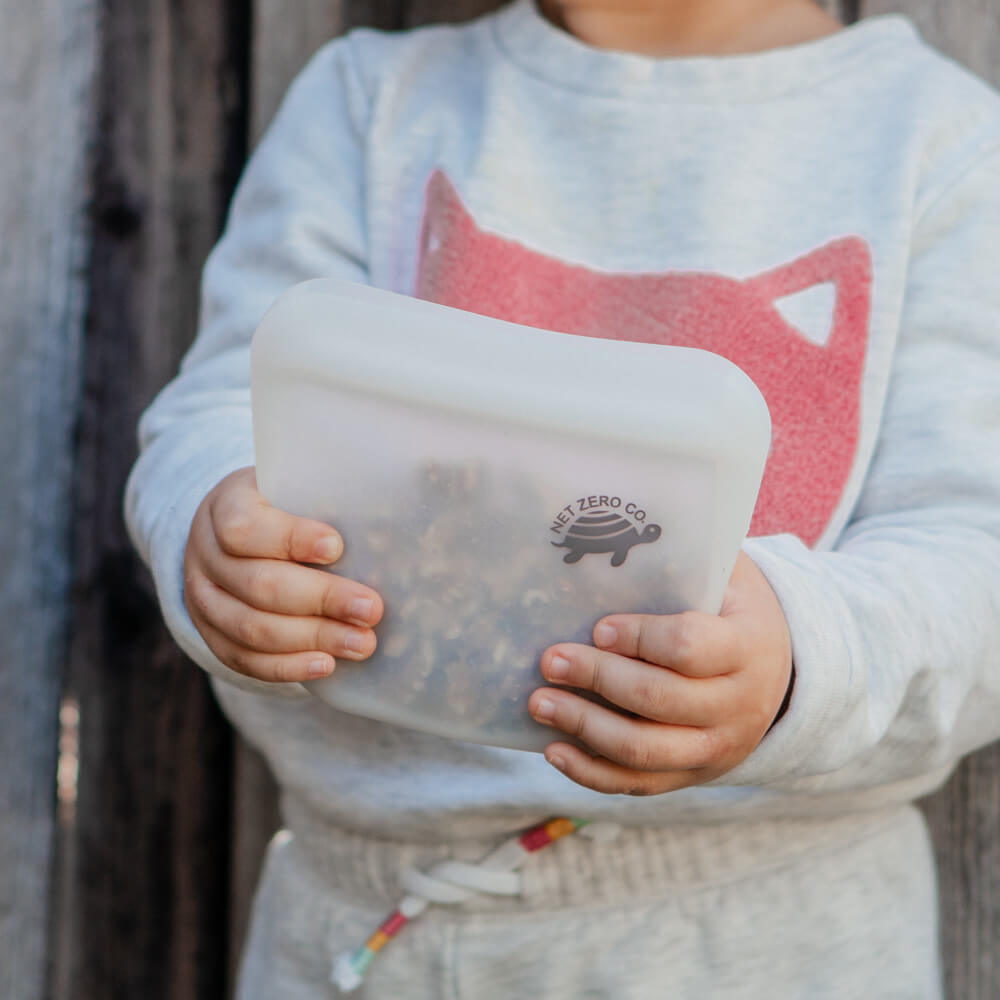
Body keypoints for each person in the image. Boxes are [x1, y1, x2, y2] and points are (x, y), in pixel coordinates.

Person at [125, 0, 1000, 996]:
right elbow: (231, 410)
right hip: (367, 929)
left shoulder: (939, 144)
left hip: (771, 935)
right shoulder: (369, 104)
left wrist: (801, 658)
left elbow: (977, 556)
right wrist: (218, 530)